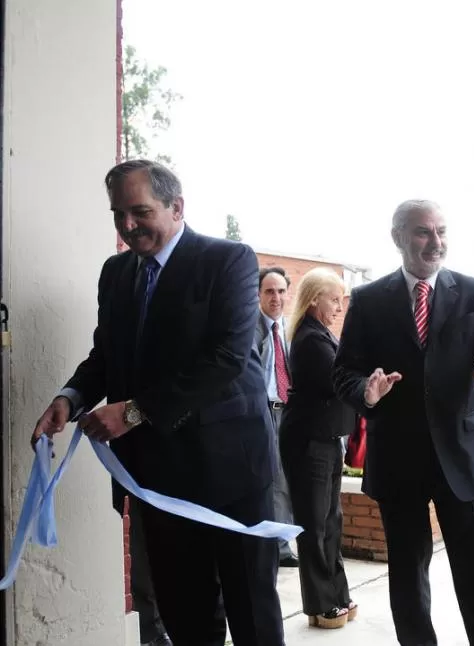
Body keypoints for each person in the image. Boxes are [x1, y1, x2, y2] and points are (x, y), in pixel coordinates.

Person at [30, 160, 284, 645]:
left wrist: (131, 412)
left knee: (252, 612)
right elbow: (107, 353)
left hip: (232, 473)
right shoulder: (116, 272)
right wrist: (71, 397)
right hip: (159, 480)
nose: (127, 226)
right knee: (185, 614)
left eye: (140, 211)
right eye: (118, 214)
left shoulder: (227, 260)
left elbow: (226, 359)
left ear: (176, 207)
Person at [332, 199, 474, 646]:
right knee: (409, 582)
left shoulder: (473, 292)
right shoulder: (369, 299)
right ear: (398, 237)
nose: (435, 242)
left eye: (441, 231)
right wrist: (366, 392)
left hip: (462, 454)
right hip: (399, 458)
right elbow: (344, 372)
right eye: (422, 232)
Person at [279, 268, 358, 629]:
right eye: (334, 299)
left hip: (326, 440)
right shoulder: (310, 339)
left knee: (331, 521)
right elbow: (338, 382)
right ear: (314, 300)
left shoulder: (322, 334)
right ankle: (320, 604)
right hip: (309, 442)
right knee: (314, 525)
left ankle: (337, 595)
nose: (339, 307)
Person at [254, 266, 299, 567]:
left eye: (281, 291)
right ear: (258, 294)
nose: (276, 298)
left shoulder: (291, 329)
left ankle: (281, 542)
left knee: (288, 478)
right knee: (270, 478)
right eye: (269, 291)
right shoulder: (251, 328)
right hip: (263, 411)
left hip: (290, 410)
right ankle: (275, 545)